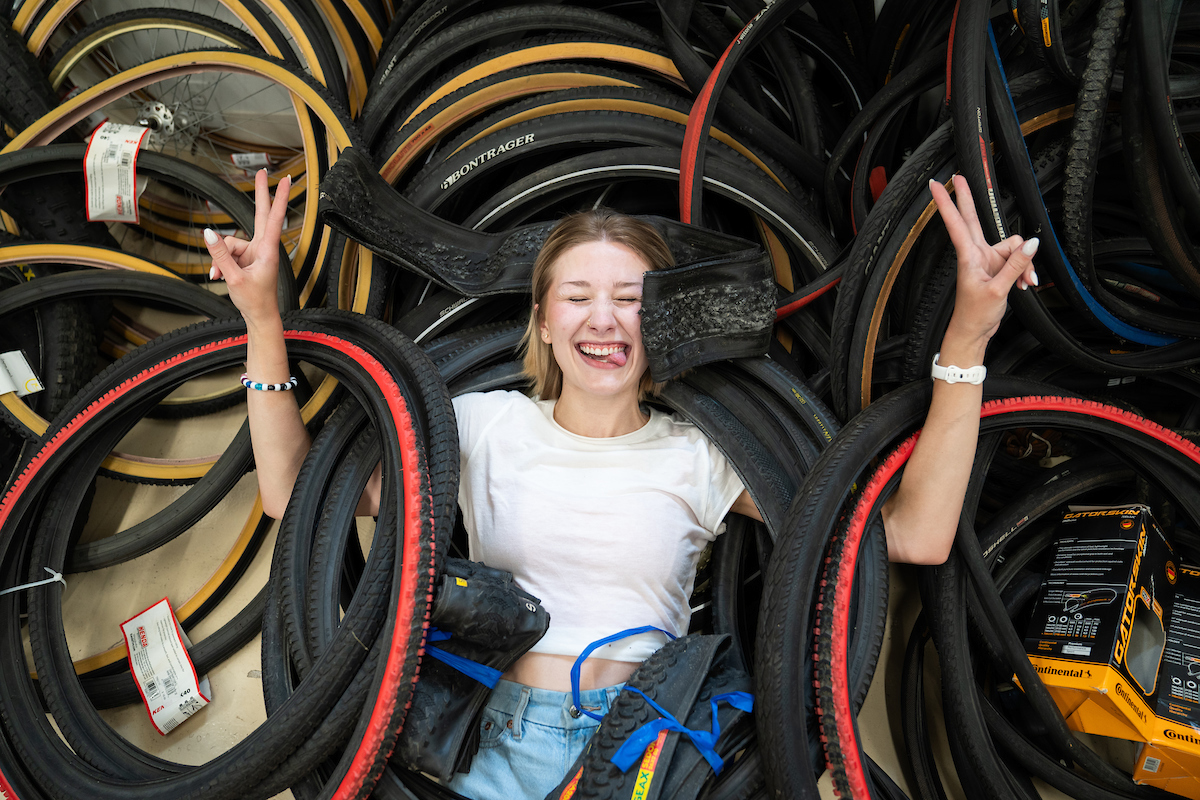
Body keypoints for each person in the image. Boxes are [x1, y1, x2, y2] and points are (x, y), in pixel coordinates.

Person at [204, 169, 1038, 800]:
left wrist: (968, 335)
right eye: (578, 295)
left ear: (665, 320)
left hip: (649, 746)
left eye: (631, 299)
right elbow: (296, 497)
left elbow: (915, 535)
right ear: (543, 321)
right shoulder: (481, 425)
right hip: (496, 743)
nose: (603, 318)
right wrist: (264, 319)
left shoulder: (704, 454)